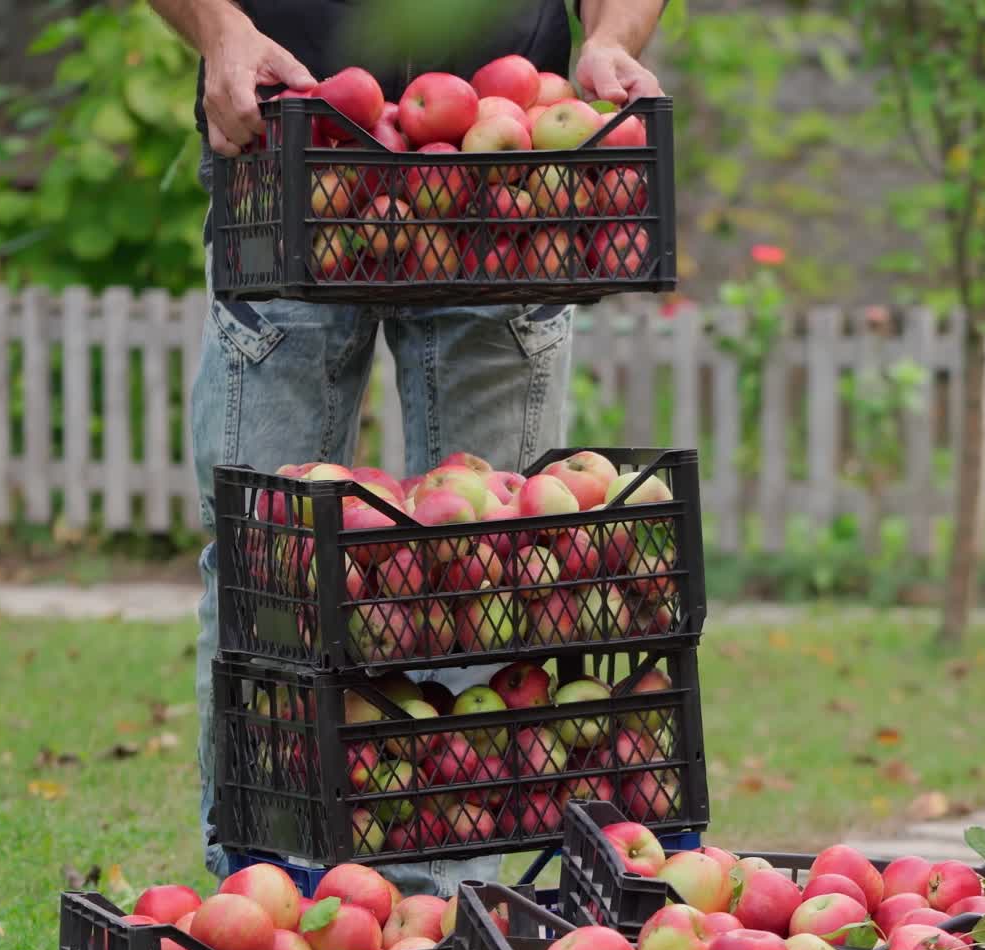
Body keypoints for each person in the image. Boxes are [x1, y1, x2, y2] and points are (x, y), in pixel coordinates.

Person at [147, 0, 665, 893]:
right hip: (285, 157)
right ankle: (274, 896)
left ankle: (451, 916)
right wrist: (220, 31)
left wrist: (612, 37)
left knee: (492, 568)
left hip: (505, 187)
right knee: (270, 565)